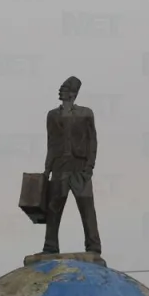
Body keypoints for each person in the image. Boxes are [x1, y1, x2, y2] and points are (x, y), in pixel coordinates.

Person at [42, 76, 101, 255]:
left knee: (87, 208)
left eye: (66, 88)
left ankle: (93, 246)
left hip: (79, 168)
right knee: (53, 209)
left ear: (74, 94)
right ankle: (50, 246)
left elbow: (93, 141)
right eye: (62, 87)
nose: (61, 90)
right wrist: (47, 170)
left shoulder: (86, 113)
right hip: (59, 169)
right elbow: (51, 143)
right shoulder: (52, 115)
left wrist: (89, 168)